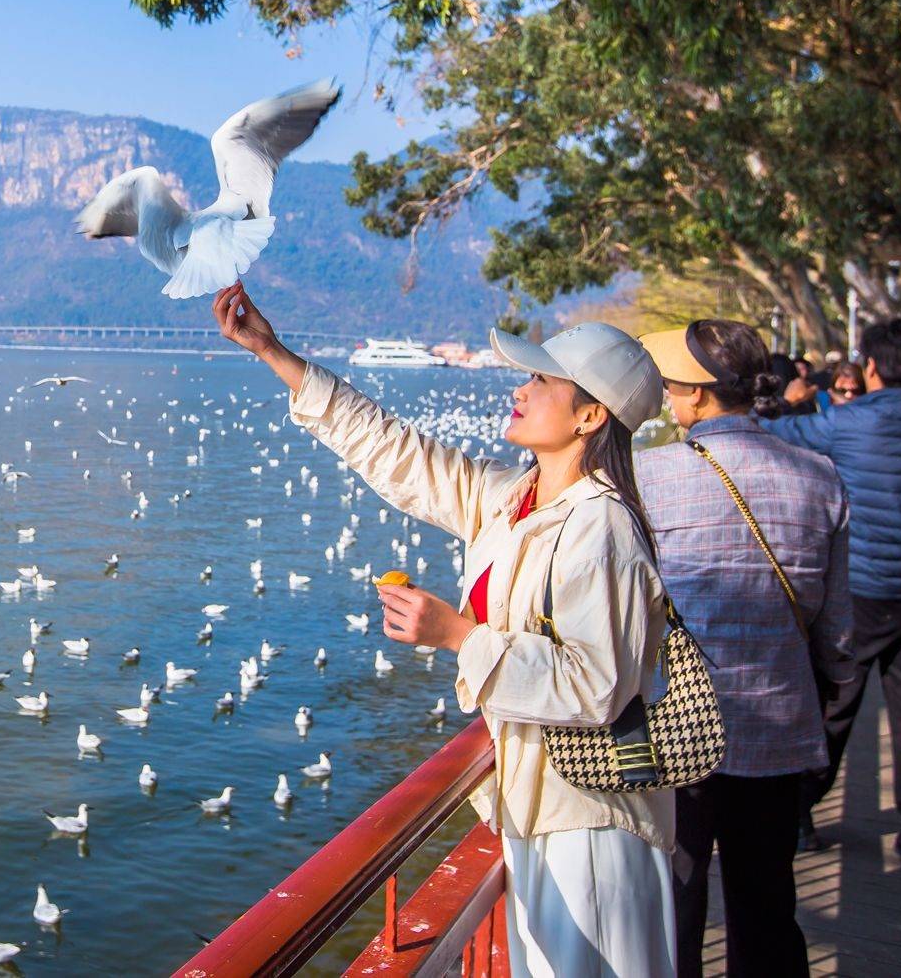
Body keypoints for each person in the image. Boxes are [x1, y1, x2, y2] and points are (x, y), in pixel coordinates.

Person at [212, 282, 676, 978]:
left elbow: (598, 685)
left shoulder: (601, 527)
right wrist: (275, 354)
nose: (522, 388)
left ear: (589, 415)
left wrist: (461, 636)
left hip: (590, 823)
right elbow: (398, 453)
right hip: (538, 807)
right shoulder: (515, 498)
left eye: (542, 379)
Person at [637, 320, 852, 977]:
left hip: (679, 730)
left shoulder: (649, 475)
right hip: (780, 726)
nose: (668, 396)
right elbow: (838, 630)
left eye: (673, 384)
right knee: (765, 903)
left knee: (675, 900)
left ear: (698, 396)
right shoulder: (820, 476)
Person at [761, 317, 901, 873]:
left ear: (871, 367)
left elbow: (778, 436)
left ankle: (800, 814)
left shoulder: (848, 424)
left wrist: (781, 399)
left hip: (858, 592)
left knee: (835, 707)